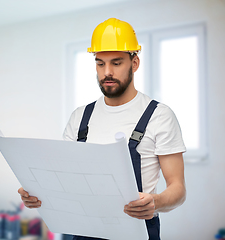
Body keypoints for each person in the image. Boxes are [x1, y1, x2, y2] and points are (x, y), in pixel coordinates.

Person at [17, 18, 186, 240]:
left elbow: (178, 188)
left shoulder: (159, 116)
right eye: (100, 63)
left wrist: (156, 202)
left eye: (116, 63)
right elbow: (65, 181)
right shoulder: (80, 117)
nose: (107, 72)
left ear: (134, 63)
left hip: (137, 232)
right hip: (83, 232)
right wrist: (39, 195)